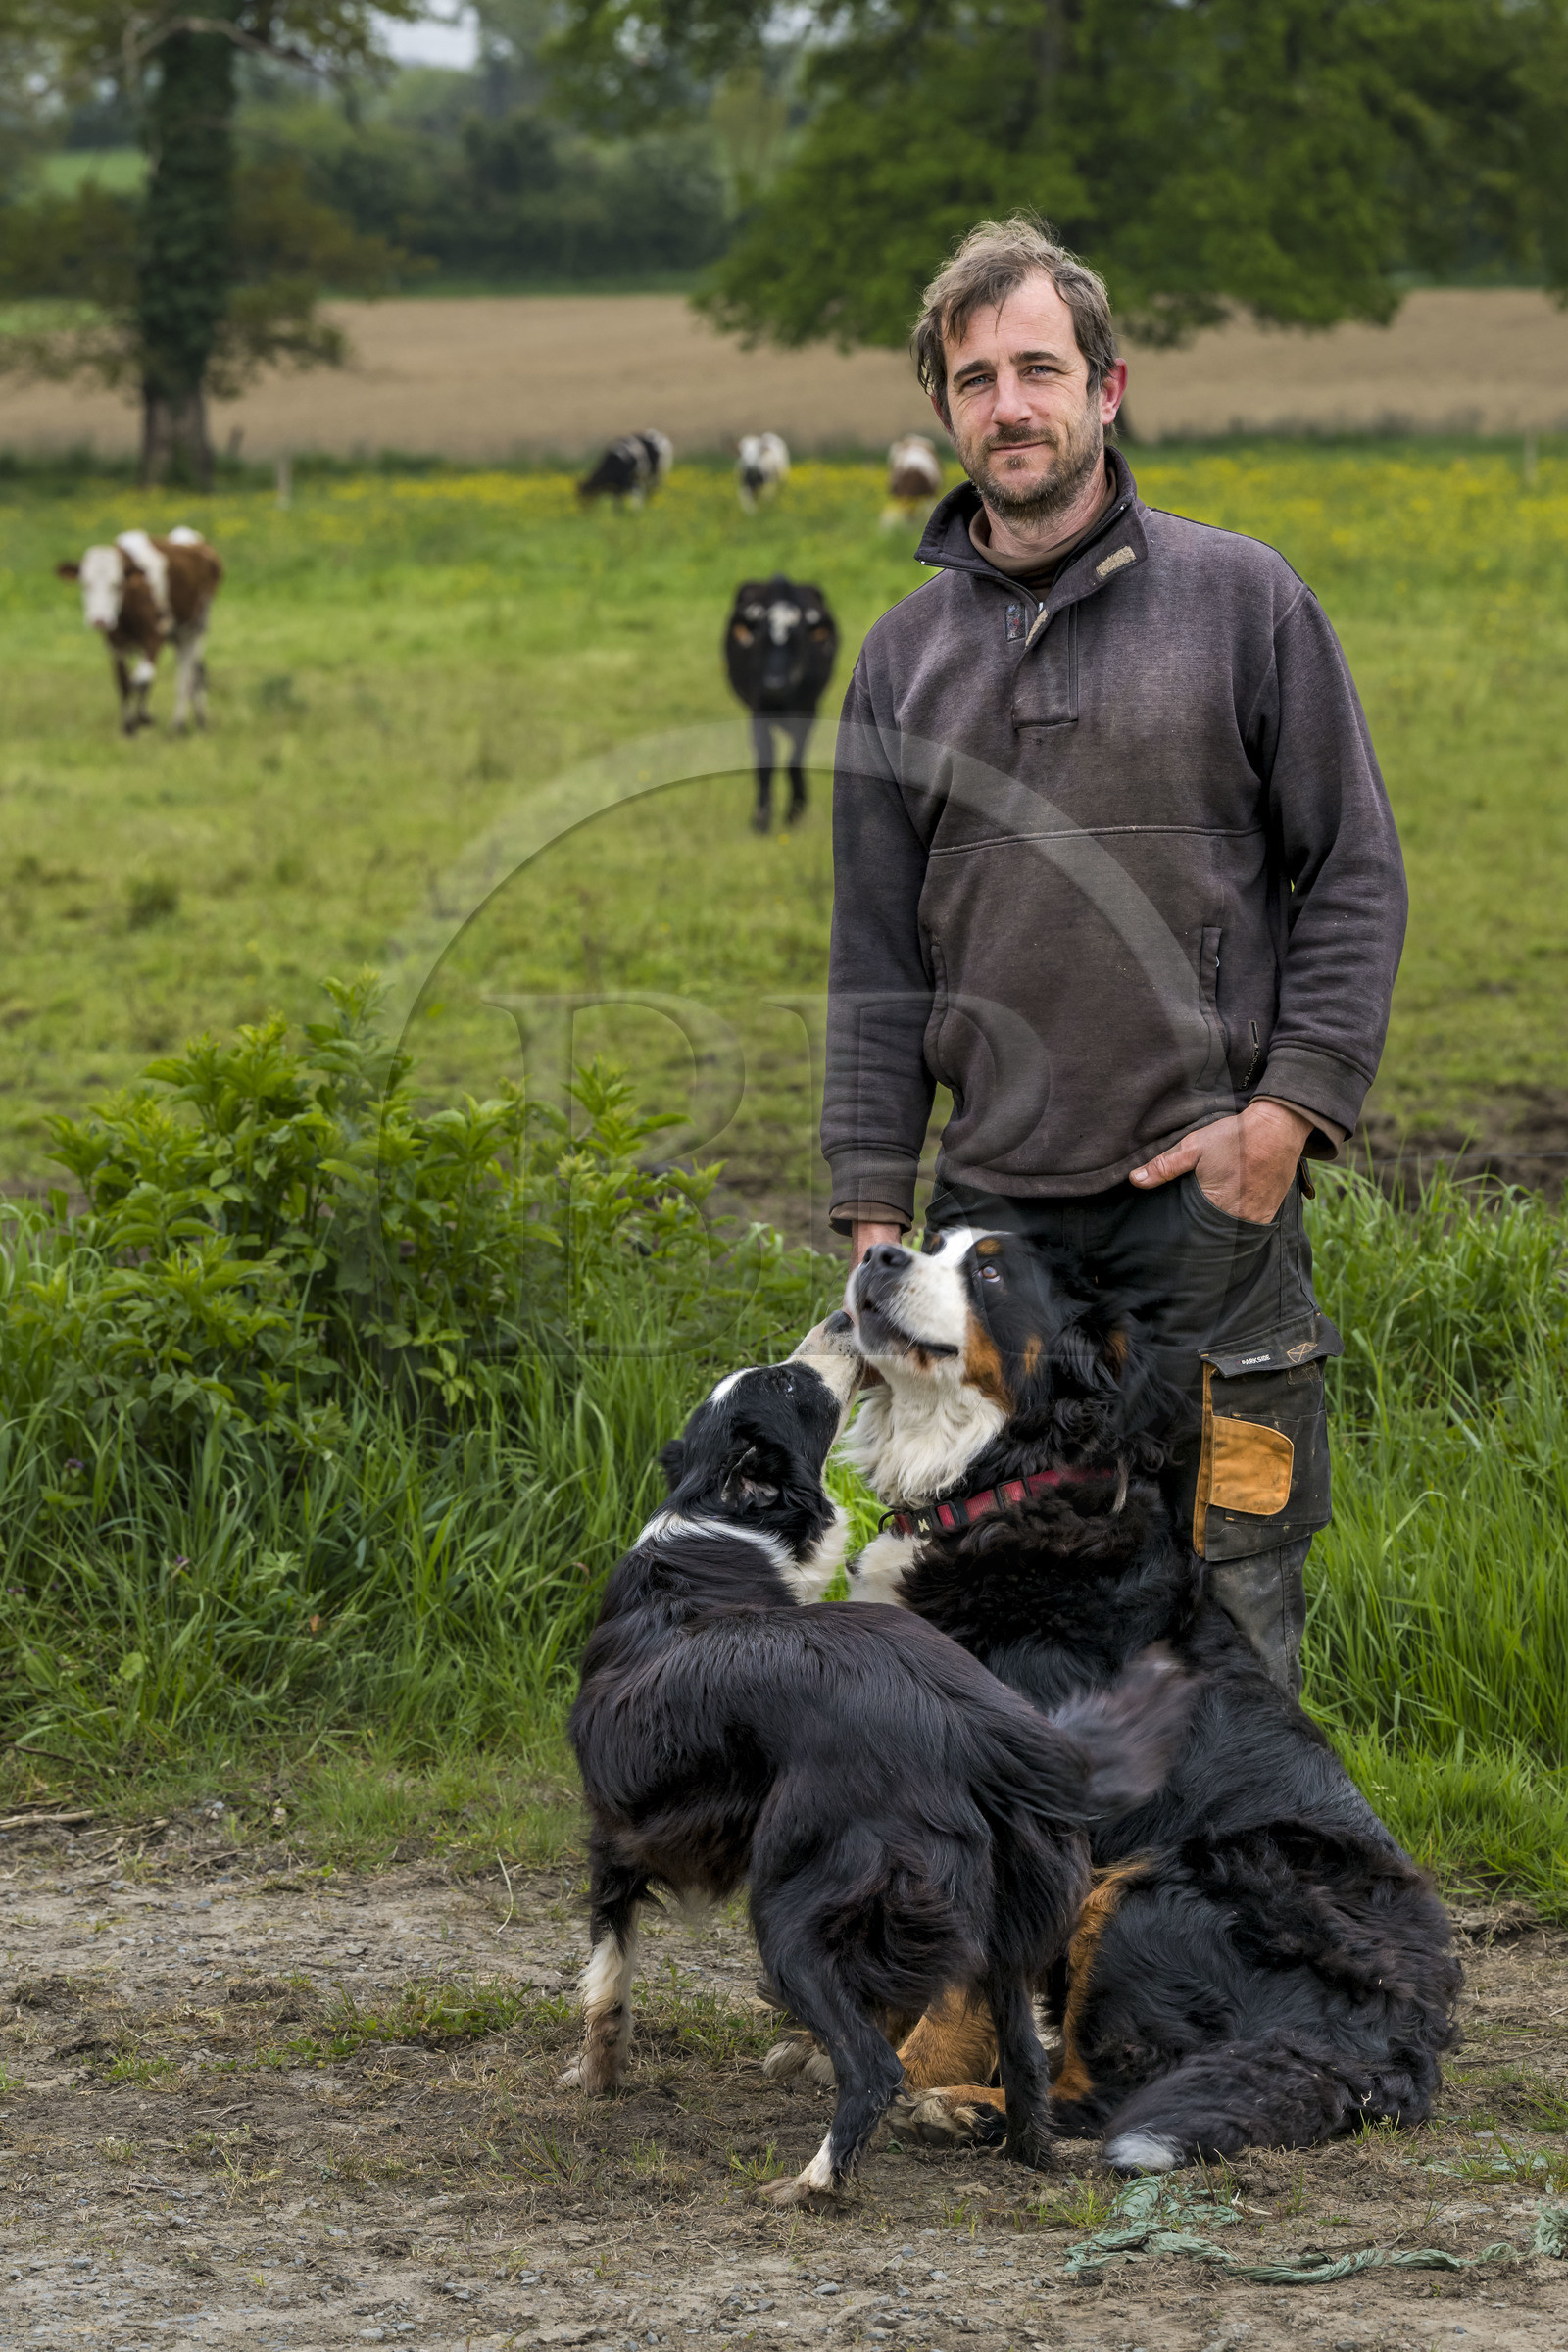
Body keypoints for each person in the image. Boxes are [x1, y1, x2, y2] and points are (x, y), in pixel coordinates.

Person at [821, 216, 1407, 1694]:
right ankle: (1027, 1907)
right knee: (985, 1588)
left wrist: (1287, 1115)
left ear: (1108, 386)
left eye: (1038, 367)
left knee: (1233, 1575)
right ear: (946, 412)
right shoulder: (900, 656)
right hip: (991, 1231)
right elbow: (875, 959)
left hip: (1204, 1204)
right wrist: (873, 1209)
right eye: (974, 379)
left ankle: (1228, 1897)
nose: (1007, 405)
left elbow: (1352, 869)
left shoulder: (1244, 602)